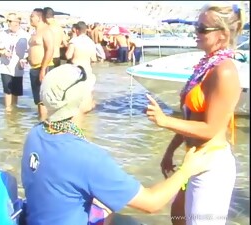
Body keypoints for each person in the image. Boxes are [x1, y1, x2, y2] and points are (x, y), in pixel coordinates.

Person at [21, 63, 216, 225]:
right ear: (77, 99)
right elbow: (151, 203)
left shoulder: (35, 134)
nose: (94, 91)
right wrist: (186, 169)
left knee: (111, 210)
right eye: (89, 89)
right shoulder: (86, 156)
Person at [146, 2, 245, 225]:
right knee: (178, 217)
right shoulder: (207, 65)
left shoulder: (225, 71)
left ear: (222, 34)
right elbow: (191, 117)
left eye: (202, 29)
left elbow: (210, 128)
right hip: (193, 159)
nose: (195, 32)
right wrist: (170, 150)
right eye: (195, 26)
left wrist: (164, 121)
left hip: (211, 163)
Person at [0, 13, 30, 112]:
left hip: (18, 67)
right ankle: (8, 111)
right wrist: (3, 52)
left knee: (16, 92)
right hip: (5, 66)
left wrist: (26, 59)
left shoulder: (26, 35)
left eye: (10, 21)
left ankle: (14, 111)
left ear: (17, 22)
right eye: (7, 21)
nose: (8, 23)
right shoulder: (3, 34)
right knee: (7, 90)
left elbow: (30, 51)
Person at [27, 8, 55, 121]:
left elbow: (50, 50)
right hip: (33, 68)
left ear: (38, 18)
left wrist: (43, 69)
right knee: (38, 100)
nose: (30, 18)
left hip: (44, 67)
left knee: (44, 100)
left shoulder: (46, 31)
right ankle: (41, 122)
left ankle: (45, 124)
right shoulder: (35, 32)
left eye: (32, 16)